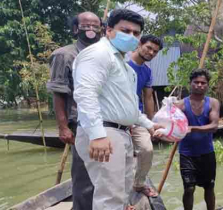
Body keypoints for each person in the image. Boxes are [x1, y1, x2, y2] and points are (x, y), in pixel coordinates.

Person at [72, 9, 162, 210]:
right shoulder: (98, 54)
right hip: (106, 132)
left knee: (121, 191)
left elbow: (129, 106)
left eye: (136, 33)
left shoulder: (125, 66)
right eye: (125, 30)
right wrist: (97, 135)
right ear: (109, 30)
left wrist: (149, 124)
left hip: (121, 132)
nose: (131, 36)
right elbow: (85, 94)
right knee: (109, 196)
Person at [46, 11, 101, 210]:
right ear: (76, 29)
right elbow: (58, 93)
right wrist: (62, 127)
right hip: (80, 123)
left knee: (103, 172)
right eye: (87, 25)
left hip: (104, 121)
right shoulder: (65, 54)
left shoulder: (103, 53)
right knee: (84, 175)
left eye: (96, 26)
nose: (91, 30)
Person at [174, 69, 220, 210]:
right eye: (196, 82)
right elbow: (171, 126)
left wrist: (192, 128)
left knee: (209, 187)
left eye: (203, 83)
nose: (199, 85)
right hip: (187, 154)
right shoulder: (180, 105)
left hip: (207, 153)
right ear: (190, 84)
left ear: (207, 85)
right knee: (189, 189)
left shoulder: (213, 103)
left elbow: (214, 126)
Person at [127, 35, 163, 197]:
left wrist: (151, 124)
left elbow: (148, 97)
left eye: (155, 51)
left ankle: (139, 184)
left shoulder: (147, 71)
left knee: (147, 150)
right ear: (140, 44)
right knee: (123, 157)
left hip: (138, 117)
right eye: (149, 48)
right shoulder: (122, 64)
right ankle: (120, 193)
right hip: (116, 118)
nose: (151, 53)